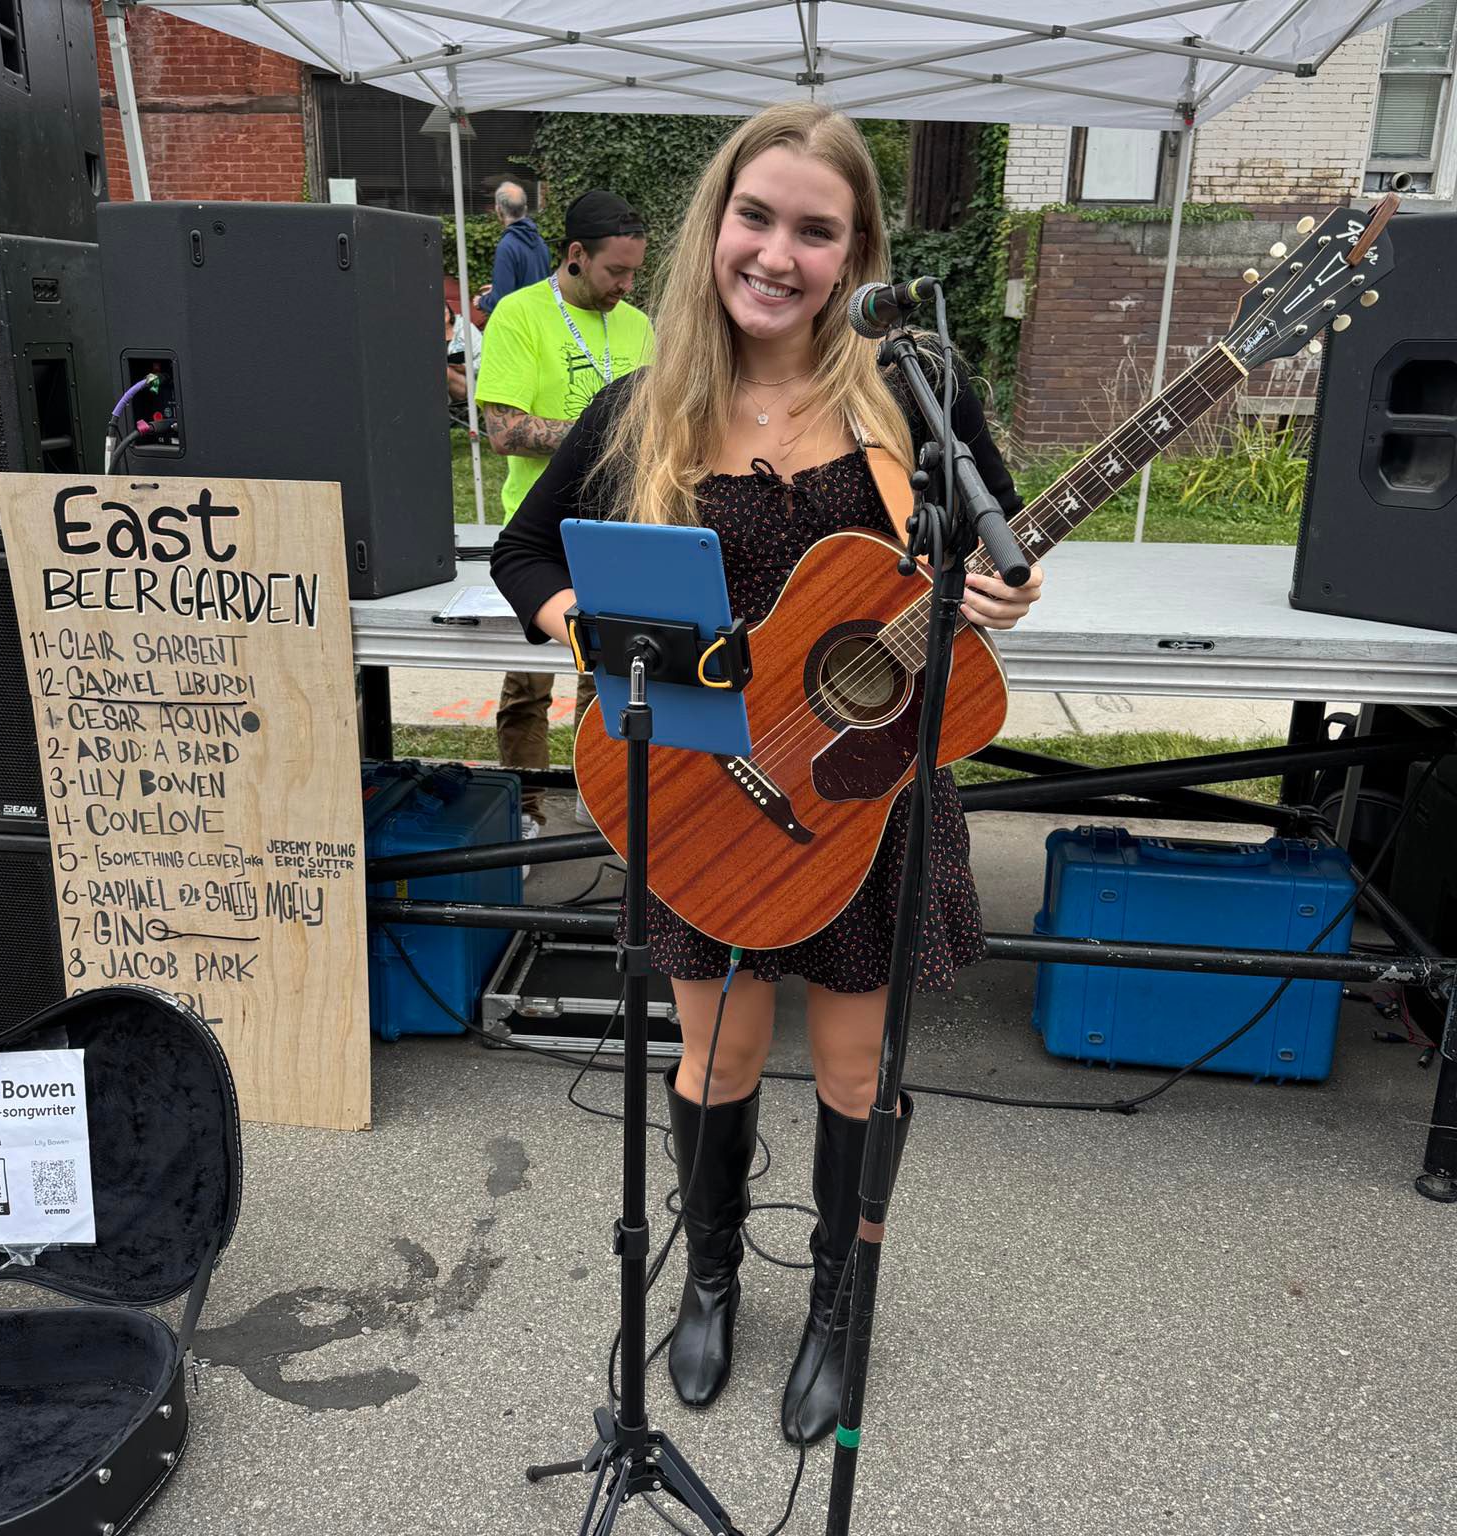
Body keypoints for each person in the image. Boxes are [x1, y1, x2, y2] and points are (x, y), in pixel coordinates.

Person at [490, 104, 1043, 1445]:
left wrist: (1003, 589)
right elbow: (525, 554)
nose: (779, 254)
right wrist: (591, 633)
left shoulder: (913, 394)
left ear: (858, 253)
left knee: (856, 1071)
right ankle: (712, 1279)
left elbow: (998, 543)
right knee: (718, 1053)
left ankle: (842, 1305)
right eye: (756, 217)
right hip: (701, 794)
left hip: (867, 791)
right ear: (714, 227)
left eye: (817, 230)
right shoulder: (642, 411)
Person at [476, 189, 654, 832]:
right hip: (540, 536)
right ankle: (524, 810)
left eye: (634, 273)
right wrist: (602, 433)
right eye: (615, 271)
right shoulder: (520, 314)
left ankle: (595, 793)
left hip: (621, 532)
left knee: (608, 678)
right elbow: (504, 430)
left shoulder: (637, 326)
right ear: (576, 253)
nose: (625, 286)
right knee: (529, 687)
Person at [476, 181, 550, 314]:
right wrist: (497, 288)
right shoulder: (541, 242)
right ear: (525, 209)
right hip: (540, 318)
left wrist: (481, 301)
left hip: (521, 322)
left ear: (498, 210)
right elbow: (533, 285)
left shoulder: (507, 246)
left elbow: (501, 301)